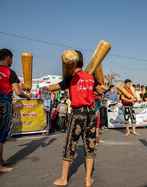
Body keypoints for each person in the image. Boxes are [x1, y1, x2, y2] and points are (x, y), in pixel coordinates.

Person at [47, 50, 103, 187]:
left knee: (70, 145)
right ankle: (88, 179)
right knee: (90, 145)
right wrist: (89, 90)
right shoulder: (91, 77)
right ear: (83, 63)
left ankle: (63, 179)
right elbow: (100, 91)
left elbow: (51, 88)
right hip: (91, 113)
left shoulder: (70, 79)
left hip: (77, 114)